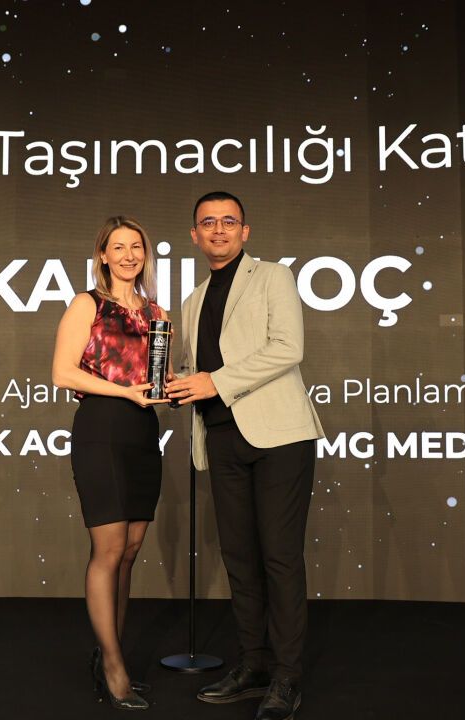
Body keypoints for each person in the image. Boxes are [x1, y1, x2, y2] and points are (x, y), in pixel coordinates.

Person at [166, 192, 324, 720]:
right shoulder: (193, 300)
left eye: (228, 221)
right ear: (194, 235)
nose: (219, 229)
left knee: (279, 556)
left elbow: (288, 348)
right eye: (208, 222)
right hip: (220, 438)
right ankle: (253, 664)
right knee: (239, 557)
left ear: (245, 231)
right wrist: (175, 384)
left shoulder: (273, 276)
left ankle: (287, 677)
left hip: (279, 437)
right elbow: (195, 371)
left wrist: (214, 381)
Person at [51, 216, 170, 711]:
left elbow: (157, 379)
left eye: (135, 246)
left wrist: (172, 387)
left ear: (145, 254)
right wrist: (125, 392)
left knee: (131, 549)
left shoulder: (158, 313)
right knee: (109, 548)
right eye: (117, 247)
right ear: (102, 254)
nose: (128, 255)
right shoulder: (88, 304)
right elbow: (62, 373)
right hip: (101, 429)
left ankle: (108, 653)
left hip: (143, 432)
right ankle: (115, 667)